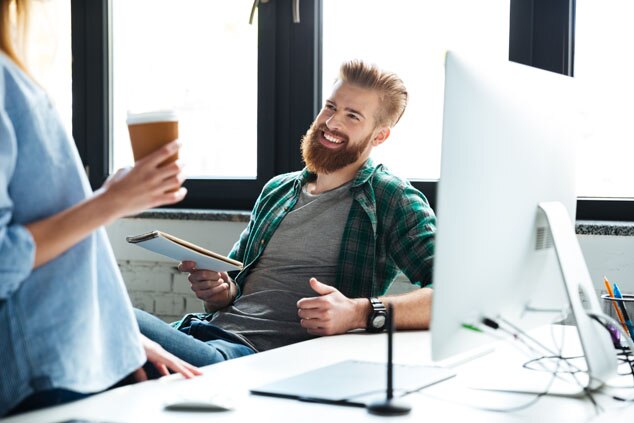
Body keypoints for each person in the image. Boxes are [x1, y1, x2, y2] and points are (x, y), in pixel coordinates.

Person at [135, 59, 436, 367]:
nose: (332, 123)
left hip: (249, 357)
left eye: (352, 116)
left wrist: (358, 312)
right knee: (105, 332)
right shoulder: (278, 190)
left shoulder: (390, 197)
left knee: (110, 314)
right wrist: (220, 290)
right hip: (203, 333)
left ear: (379, 136)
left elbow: (451, 296)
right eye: (330, 107)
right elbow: (234, 288)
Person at [0, 0, 201, 417]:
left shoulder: (11, 72)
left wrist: (117, 337)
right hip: (46, 371)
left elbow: (63, 250)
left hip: (78, 356)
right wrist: (113, 201)